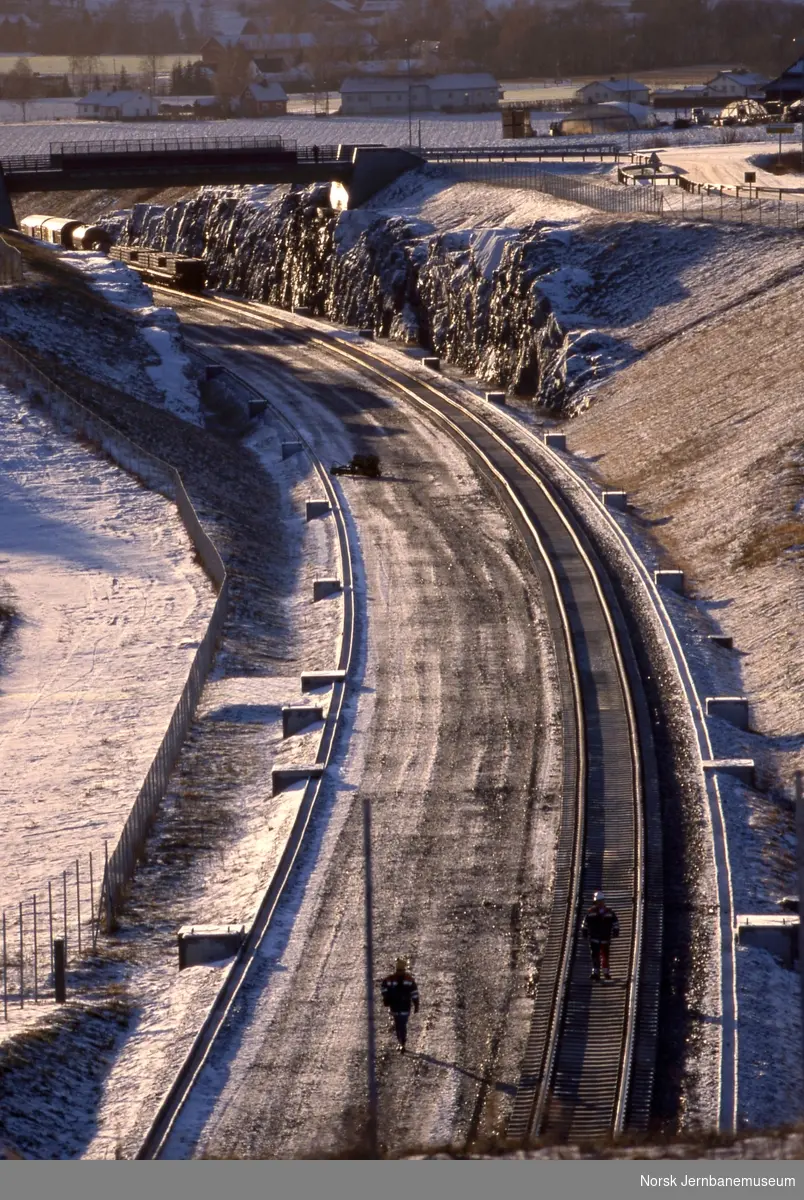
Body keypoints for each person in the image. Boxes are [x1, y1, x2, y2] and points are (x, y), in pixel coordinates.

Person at [380, 957, 419, 1053]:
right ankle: (402, 1042)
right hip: (405, 1006)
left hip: (395, 1006)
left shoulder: (390, 979)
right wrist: (416, 1004)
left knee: (398, 1025)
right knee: (402, 1024)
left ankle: (401, 1042)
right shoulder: (409, 979)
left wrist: (386, 997)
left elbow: (383, 987)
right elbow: (414, 993)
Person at [581, 891, 619, 982]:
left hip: (605, 938)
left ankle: (606, 972)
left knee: (605, 955)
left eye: (601, 901)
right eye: (598, 901)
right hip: (594, 938)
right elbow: (585, 924)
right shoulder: (590, 913)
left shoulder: (609, 912)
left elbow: (615, 923)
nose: (600, 903)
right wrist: (584, 932)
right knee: (595, 955)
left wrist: (615, 931)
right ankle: (596, 972)